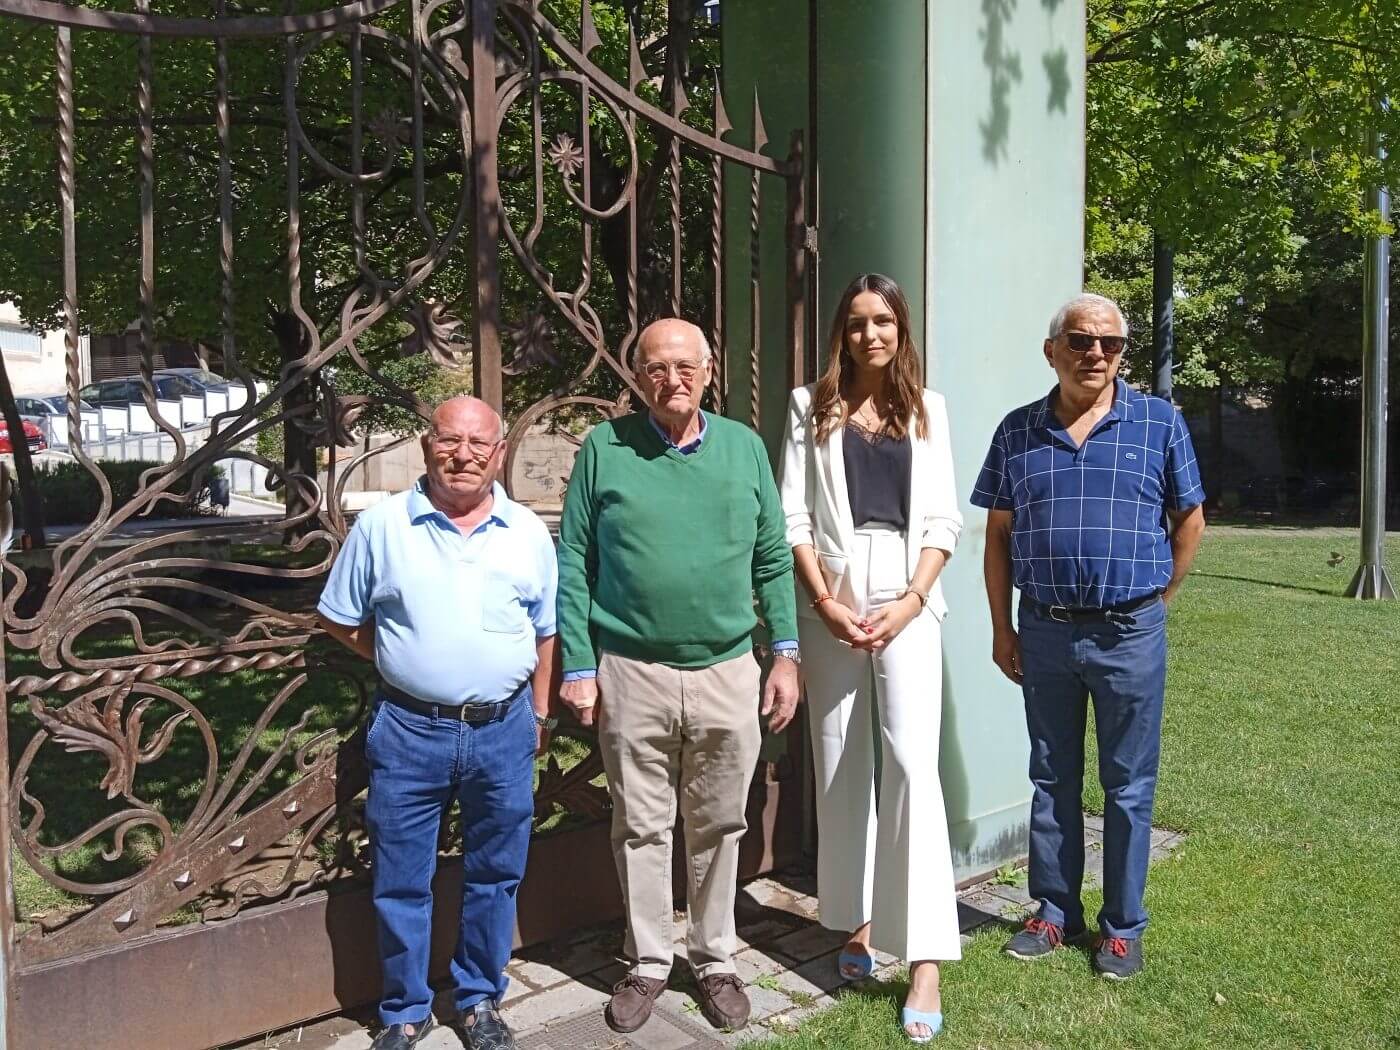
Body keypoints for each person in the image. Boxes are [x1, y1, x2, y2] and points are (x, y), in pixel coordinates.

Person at [556, 317, 801, 1035]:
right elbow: (573, 560)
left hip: (728, 667)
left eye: (685, 365)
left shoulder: (744, 449)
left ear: (709, 370)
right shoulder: (605, 449)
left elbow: (773, 559)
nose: (672, 379)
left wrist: (784, 652)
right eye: (657, 368)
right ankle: (649, 959)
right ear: (639, 378)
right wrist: (577, 663)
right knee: (640, 824)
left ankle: (715, 956)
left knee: (721, 821)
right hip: (632, 670)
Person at [970, 293, 1206, 980]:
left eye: (1109, 343)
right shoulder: (1018, 431)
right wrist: (1001, 626)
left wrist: (1156, 597)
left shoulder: (1159, 423)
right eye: (1079, 340)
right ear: (1053, 351)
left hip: (1130, 631)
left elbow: (1189, 520)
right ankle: (1053, 912)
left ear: (1122, 353)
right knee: (1052, 777)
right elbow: (998, 536)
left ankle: (1122, 929)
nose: (1094, 353)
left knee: (1128, 784)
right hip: (1044, 632)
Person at [317, 396, 559, 1050]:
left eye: (479, 444)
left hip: (504, 730)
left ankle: (479, 1000)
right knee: (401, 878)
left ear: (499, 454)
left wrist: (539, 711)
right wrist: (398, 659)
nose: (464, 455)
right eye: (450, 441)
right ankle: (405, 1010)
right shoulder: (383, 528)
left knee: (496, 873)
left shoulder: (528, 532)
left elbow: (545, 632)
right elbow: (339, 617)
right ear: (427, 447)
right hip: (409, 730)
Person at [778, 273, 962, 1045]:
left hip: (907, 598)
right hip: (834, 597)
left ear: (902, 329)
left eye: (883, 321)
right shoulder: (805, 407)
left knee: (912, 765)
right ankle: (857, 922)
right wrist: (824, 602)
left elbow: (944, 517)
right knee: (841, 760)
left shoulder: (929, 410)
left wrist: (912, 601)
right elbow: (792, 512)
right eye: (856, 323)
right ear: (840, 334)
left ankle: (923, 956)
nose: (870, 335)